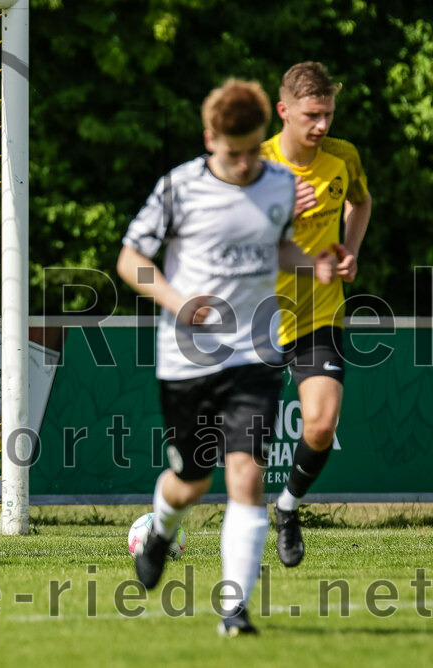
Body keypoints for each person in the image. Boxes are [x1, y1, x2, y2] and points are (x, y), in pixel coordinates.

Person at [117, 79, 335, 635]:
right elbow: (130, 257)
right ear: (209, 137)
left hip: (255, 349)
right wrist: (175, 300)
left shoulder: (280, 183)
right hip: (187, 356)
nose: (243, 165)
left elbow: (278, 245)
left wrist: (314, 263)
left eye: (251, 150)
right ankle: (162, 528)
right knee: (191, 481)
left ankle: (233, 610)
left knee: (246, 473)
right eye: (232, 153)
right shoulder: (179, 187)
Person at [260, 61, 372, 569]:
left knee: (322, 425)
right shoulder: (254, 165)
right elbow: (223, 242)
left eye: (327, 113)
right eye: (311, 115)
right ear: (284, 110)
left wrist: (350, 250)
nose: (322, 125)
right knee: (240, 445)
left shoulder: (342, 157)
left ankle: (287, 509)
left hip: (317, 317)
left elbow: (361, 203)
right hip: (253, 319)